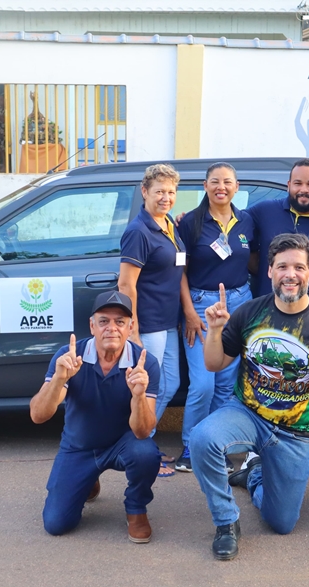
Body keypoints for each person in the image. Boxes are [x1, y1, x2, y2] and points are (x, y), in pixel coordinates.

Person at [190, 233, 309, 560]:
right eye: (283, 266)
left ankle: (255, 476)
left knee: (282, 523)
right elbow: (214, 363)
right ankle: (226, 522)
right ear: (270, 270)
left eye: (299, 267)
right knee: (203, 438)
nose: (291, 274)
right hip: (247, 414)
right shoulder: (250, 313)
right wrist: (214, 330)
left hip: (296, 433)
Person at [30, 291, 161, 544]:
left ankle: (136, 509)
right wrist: (59, 379)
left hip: (123, 445)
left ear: (130, 327)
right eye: (104, 321)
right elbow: (38, 415)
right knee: (57, 524)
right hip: (79, 447)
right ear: (92, 326)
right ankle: (88, 479)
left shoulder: (145, 364)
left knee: (146, 453)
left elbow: (143, 431)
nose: (111, 328)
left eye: (120, 322)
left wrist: (138, 395)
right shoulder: (69, 357)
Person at [174, 162, 254, 473]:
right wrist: (189, 312)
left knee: (225, 383)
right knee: (203, 383)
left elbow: (256, 259)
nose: (221, 187)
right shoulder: (190, 223)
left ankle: (216, 446)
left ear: (237, 187)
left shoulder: (247, 221)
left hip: (239, 302)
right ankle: (191, 446)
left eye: (228, 182)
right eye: (215, 181)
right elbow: (178, 270)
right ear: (205, 186)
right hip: (201, 304)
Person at [119, 164, 185, 477]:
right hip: (149, 324)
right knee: (149, 388)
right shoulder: (138, 231)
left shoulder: (168, 223)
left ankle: (144, 438)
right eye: (159, 191)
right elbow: (126, 285)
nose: (166, 197)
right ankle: (141, 448)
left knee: (169, 384)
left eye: (171, 192)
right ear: (145, 192)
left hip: (169, 322)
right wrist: (132, 329)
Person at [245, 158, 309, 303]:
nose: (304, 190)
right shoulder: (264, 211)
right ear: (289, 185)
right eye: (298, 183)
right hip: (266, 309)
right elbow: (231, 225)